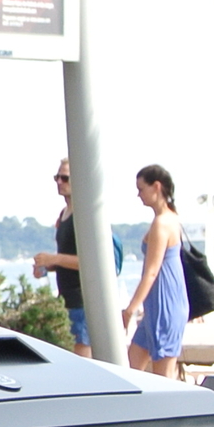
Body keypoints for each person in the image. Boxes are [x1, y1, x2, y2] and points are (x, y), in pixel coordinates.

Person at [30, 159, 124, 357]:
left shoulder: (86, 215)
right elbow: (69, 258)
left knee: (82, 359)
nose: (60, 182)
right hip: (67, 299)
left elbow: (94, 262)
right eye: (57, 177)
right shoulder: (64, 215)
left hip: (82, 301)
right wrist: (48, 265)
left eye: (65, 178)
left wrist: (54, 259)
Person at [122, 164, 189, 379]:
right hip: (157, 307)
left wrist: (130, 309)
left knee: (163, 377)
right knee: (131, 370)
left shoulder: (162, 223)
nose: (139, 195)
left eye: (141, 189)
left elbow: (151, 272)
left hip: (165, 304)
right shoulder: (168, 219)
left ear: (156, 187)